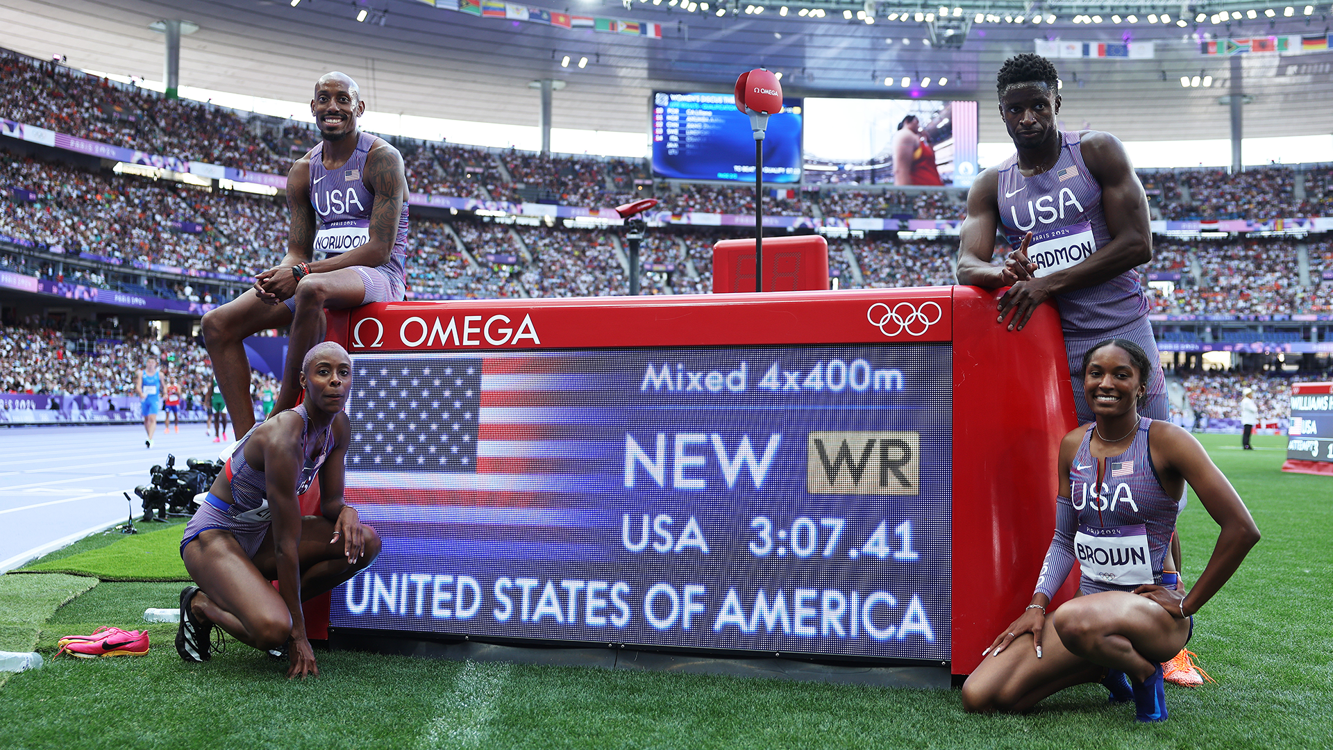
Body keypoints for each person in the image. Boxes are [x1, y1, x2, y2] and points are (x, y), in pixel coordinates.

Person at [961, 339, 1260, 722]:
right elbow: (1064, 539)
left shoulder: (1167, 441)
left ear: (1140, 386)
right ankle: (1101, 666)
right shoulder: (1073, 445)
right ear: (1083, 380)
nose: (1106, 383)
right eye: (1096, 373)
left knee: (1070, 617)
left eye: (1121, 374)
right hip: (1088, 615)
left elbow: (1242, 528)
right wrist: (1036, 606)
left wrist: (1187, 604)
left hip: (1152, 616)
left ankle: (1144, 672)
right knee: (982, 695)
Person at [201, 71, 409, 438]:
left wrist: (299, 274)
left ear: (359, 108)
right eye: (324, 98)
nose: (333, 106)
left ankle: (282, 412)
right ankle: (248, 446)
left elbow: (379, 248)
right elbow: (296, 250)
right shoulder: (302, 171)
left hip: (378, 276)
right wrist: (277, 276)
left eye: (343, 99)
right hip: (317, 274)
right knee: (216, 324)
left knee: (312, 287)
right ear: (312, 107)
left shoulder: (382, 159)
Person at [177, 342, 380, 678]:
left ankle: (269, 607)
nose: (335, 381)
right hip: (213, 537)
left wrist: (349, 512)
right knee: (273, 630)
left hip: (259, 536)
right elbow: (287, 546)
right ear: (304, 381)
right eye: (324, 371)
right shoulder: (284, 436)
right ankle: (200, 605)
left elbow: (331, 503)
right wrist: (297, 637)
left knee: (364, 543)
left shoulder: (338, 427)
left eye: (344, 373)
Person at [892, 115, 944, 186]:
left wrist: (928, 139)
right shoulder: (905, 135)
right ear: (907, 122)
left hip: (931, 191)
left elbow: (932, 161)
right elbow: (900, 172)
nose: (918, 126)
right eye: (916, 122)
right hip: (922, 192)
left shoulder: (916, 139)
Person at [135, 356, 162, 448]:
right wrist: (141, 393)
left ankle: (150, 439)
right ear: (146, 363)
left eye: (152, 362)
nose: (150, 364)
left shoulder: (159, 374)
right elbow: (138, 386)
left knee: (152, 419)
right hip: (144, 398)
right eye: (149, 362)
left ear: (155, 364)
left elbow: (164, 386)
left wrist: (165, 393)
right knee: (146, 420)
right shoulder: (142, 374)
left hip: (154, 399)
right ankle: (150, 437)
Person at [208, 377, 229, 443]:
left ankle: (224, 432)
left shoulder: (224, 375)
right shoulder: (213, 378)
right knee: (216, 418)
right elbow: (211, 389)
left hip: (223, 400)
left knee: (224, 417)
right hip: (215, 400)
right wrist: (209, 401)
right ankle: (217, 436)